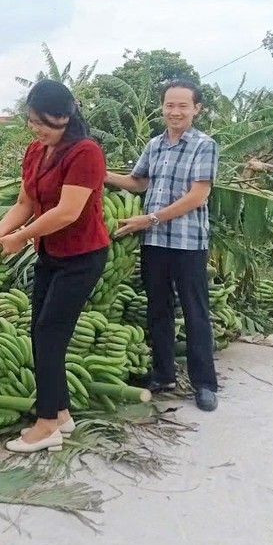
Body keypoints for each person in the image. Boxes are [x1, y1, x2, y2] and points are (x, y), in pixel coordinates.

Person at [0, 80, 109, 453]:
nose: (37, 129)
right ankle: (62, 412)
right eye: (32, 120)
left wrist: (19, 238)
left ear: (65, 116)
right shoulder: (36, 151)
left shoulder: (86, 153)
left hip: (82, 258)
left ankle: (46, 423)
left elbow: (68, 212)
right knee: (40, 331)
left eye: (44, 122)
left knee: (50, 335)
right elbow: (24, 203)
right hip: (50, 254)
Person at [107, 79, 220, 412]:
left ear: (196, 109)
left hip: (187, 242)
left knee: (195, 312)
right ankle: (164, 374)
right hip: (155, 242)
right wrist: (103, 174)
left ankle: (204, 383)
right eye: (170, 105)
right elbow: (139, 181)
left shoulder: (204, 145)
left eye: (183, 105)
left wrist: (150, 219)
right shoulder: (155, 144)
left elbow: (198, 196)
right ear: (162, 107)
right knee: (158, 308)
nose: (175, 111)